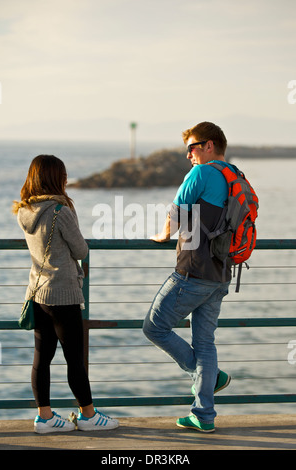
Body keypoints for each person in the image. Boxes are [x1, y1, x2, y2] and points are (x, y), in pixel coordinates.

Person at [13, 154, 119, 434]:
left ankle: (45, 418)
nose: (67, 179)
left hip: (37, 292)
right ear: (55, 178)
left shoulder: (25, 211)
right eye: (63, 175)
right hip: (62, 295)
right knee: (74, 358)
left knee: (41, 358)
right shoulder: (60, 212)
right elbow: (81, 250)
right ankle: (88, 415)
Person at [143, 122, 233, 433]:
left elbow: (177, 210)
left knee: (154, 327)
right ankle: (203, 416)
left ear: (210, 146)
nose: (189, 155)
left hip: (193, 271)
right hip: (221, 273)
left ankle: (205, 376)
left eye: (193, 147)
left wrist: (163, 234)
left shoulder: (202, 173)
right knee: (205, 343)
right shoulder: (233, 176)